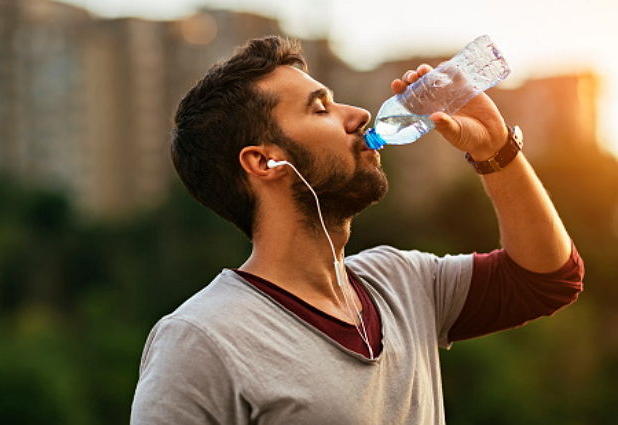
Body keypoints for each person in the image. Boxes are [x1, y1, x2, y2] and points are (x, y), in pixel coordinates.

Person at [130, 36, 584, 424]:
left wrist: (496, 150)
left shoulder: (402, 283)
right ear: (264, 162)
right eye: (321, 108)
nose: (360, 115)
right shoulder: (201, 339)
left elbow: (547, 278)